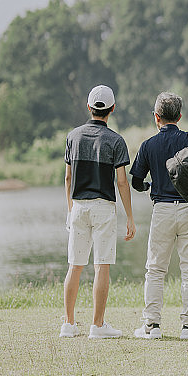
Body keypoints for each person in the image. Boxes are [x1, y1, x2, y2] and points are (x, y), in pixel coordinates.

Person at [130, 92, 188, 340]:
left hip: (162, 211)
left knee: (156, 269)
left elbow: (135, 181)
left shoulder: (148, 145)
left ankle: (152, 325)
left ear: (156, 117)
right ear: (179, 117)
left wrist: (149, 186)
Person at [60, 85, 136, 339]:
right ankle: (97, 325)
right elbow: (122, 182)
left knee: (75, 265)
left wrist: (70, 209)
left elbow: (68, 178)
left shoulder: (73, 137)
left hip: (78, 206)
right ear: (112, 109)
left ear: (89, 107)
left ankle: (68, 324)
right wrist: (130, 217)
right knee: (102, 266)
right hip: (103, 207)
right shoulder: (116, 140)